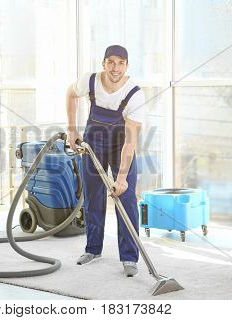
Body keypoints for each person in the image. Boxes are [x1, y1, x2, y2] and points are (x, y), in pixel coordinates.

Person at [66, 45, 145, 277]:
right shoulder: (89, 81)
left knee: (127, 199)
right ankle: (93, 249)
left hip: (122, 146)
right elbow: (70, 94)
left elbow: (130, 141)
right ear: (103, 63)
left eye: (121, 63)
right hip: (93, 144)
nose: (115, 68)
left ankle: (130, 258)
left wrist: (121, 179)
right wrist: (72, 130)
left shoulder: (134, 93)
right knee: (93, 197)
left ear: (127, 66)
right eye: (111, 62)